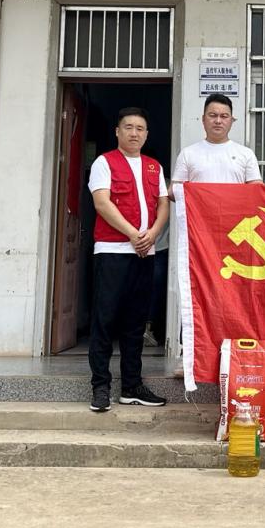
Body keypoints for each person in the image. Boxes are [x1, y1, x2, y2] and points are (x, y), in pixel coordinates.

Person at [87, 106, 170, 413]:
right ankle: (100, 387)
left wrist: (153, 234)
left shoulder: (154, 167)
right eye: (129, 127)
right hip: (113, 252)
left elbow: (163, 205)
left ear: (146, 134)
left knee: (136, 324)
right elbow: (102, 203)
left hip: (145, 253)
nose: (134, 133)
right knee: (105, 320)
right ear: (117, 131)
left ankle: (132, 387)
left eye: (140, 128)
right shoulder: (104, 162)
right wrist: (133, 234)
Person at [171, 93, 262, 186]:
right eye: (213, 115)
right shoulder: (187, 154)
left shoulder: (246, 154)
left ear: (231, 120)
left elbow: (257, 189)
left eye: (224, 116)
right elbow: (175, 189)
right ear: (203, 119)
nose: (218, 121)